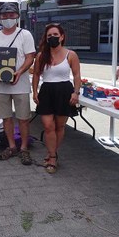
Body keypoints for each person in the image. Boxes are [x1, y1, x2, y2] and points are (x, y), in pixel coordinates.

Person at [0, 2, 36, 165]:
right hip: (0, 85)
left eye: (11, 15)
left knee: (23, 118)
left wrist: (19, 72)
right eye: (4, 15)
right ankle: (12, 146)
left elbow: (30, 57)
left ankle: (24, 148)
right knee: (5, 118)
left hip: (20, 84)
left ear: (17, 16)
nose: (8, 18)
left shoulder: (25, 35)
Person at [32, 23, 81, 174]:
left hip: (64, 91)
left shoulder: (71, 55)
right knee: (48, 126)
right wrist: (34, 91)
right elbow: (36, 74)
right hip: (46, 91)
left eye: (55, 35)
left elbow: (77, 75)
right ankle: (53, 156)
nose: (52, 37)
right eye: (49, 36)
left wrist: (76, 92)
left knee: (60, 126)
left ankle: (52, 154)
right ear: (46, 39)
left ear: (62, 36)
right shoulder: (41, 55)